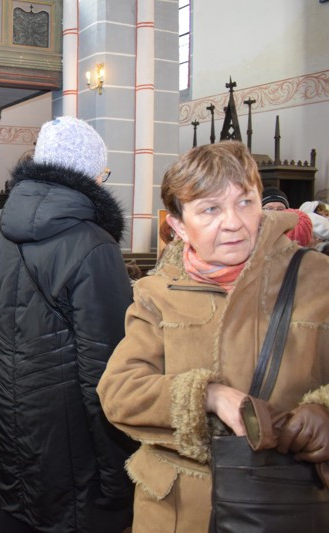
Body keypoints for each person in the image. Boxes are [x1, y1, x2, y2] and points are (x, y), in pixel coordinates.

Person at [97, 141, 329, 532]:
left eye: (245, 202)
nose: (234, 222)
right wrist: (206, 395)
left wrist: (323, 411)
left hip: (287, 504)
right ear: (178, 226)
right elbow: (119, 391)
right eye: (210, 209)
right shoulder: (158, 293)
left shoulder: (317, 279)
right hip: (178, 511)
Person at [0, 116, 135, 532]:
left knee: (16, 514)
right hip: (71, 440)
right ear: (88, 174)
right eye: (103, 172)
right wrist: (118, 476)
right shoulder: (93, 245)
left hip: (11, 413)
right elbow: (106, 374)